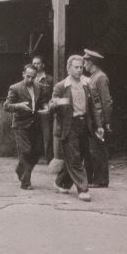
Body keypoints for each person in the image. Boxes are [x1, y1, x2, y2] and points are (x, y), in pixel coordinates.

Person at [49, 55, 103, 202]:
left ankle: (61, 182)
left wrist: (98, 126)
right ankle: (83, 189)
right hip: (69, 125)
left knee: (79, 156)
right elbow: (51, 107)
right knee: (74, 158)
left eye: (81, 67)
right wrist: (55, 104)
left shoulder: (87, 84)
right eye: (76, 67)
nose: (80, 70)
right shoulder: (61, 86)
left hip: (84, 125)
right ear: (68, 68)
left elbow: (93, 108)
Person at [4, 64, 44, 190]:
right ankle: (25, 182)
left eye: (33, 77)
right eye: (28, 77)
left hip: (35, 124)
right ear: (23, 74)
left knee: (37, 151)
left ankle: (19, 170)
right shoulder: (15, 88)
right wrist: (19, 105)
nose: (30, 80)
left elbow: (42, 102)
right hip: (20, 124)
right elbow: (6, 106)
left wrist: (45, 108)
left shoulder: (39, 87)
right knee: (26, 151)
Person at [83, 49, 113, 188]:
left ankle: (101, 180)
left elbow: (106, 101)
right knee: (92, 149)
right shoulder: (93, 77)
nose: (83, 65)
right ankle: (93, 179)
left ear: (91, 62)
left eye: (85, 62)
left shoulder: (101, 77)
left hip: (99, 119)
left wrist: (106, 122)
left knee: (98, 150)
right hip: (93, 119)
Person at [32, 55, 54, 163]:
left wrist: (49, 105)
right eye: (34, 63)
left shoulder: (49, 79)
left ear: (43, 65)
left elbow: (54, 94)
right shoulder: (31, 78)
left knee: (47, 134)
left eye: (38, 63)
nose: (36, 65)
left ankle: (49, 158)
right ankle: (37, 157)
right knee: (35, 133)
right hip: (33, 108)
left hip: (45, 108)